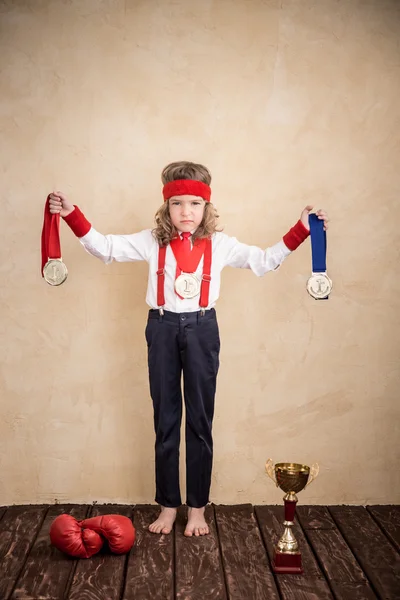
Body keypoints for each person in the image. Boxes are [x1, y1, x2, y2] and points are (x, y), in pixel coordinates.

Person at [48, 161, 329, 537]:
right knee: (165, 421)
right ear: (167, 207)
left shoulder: (221, 244)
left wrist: (301, 230)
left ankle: (196, 509)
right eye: (178, 203)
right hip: (162, 328)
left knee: (200, 422)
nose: (186, 212)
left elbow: (264, 261)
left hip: (202, 329)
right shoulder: (152, 240)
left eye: (194, 204)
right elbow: (106, 248)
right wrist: (71, 214)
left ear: (206, 207)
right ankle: (168, 506)